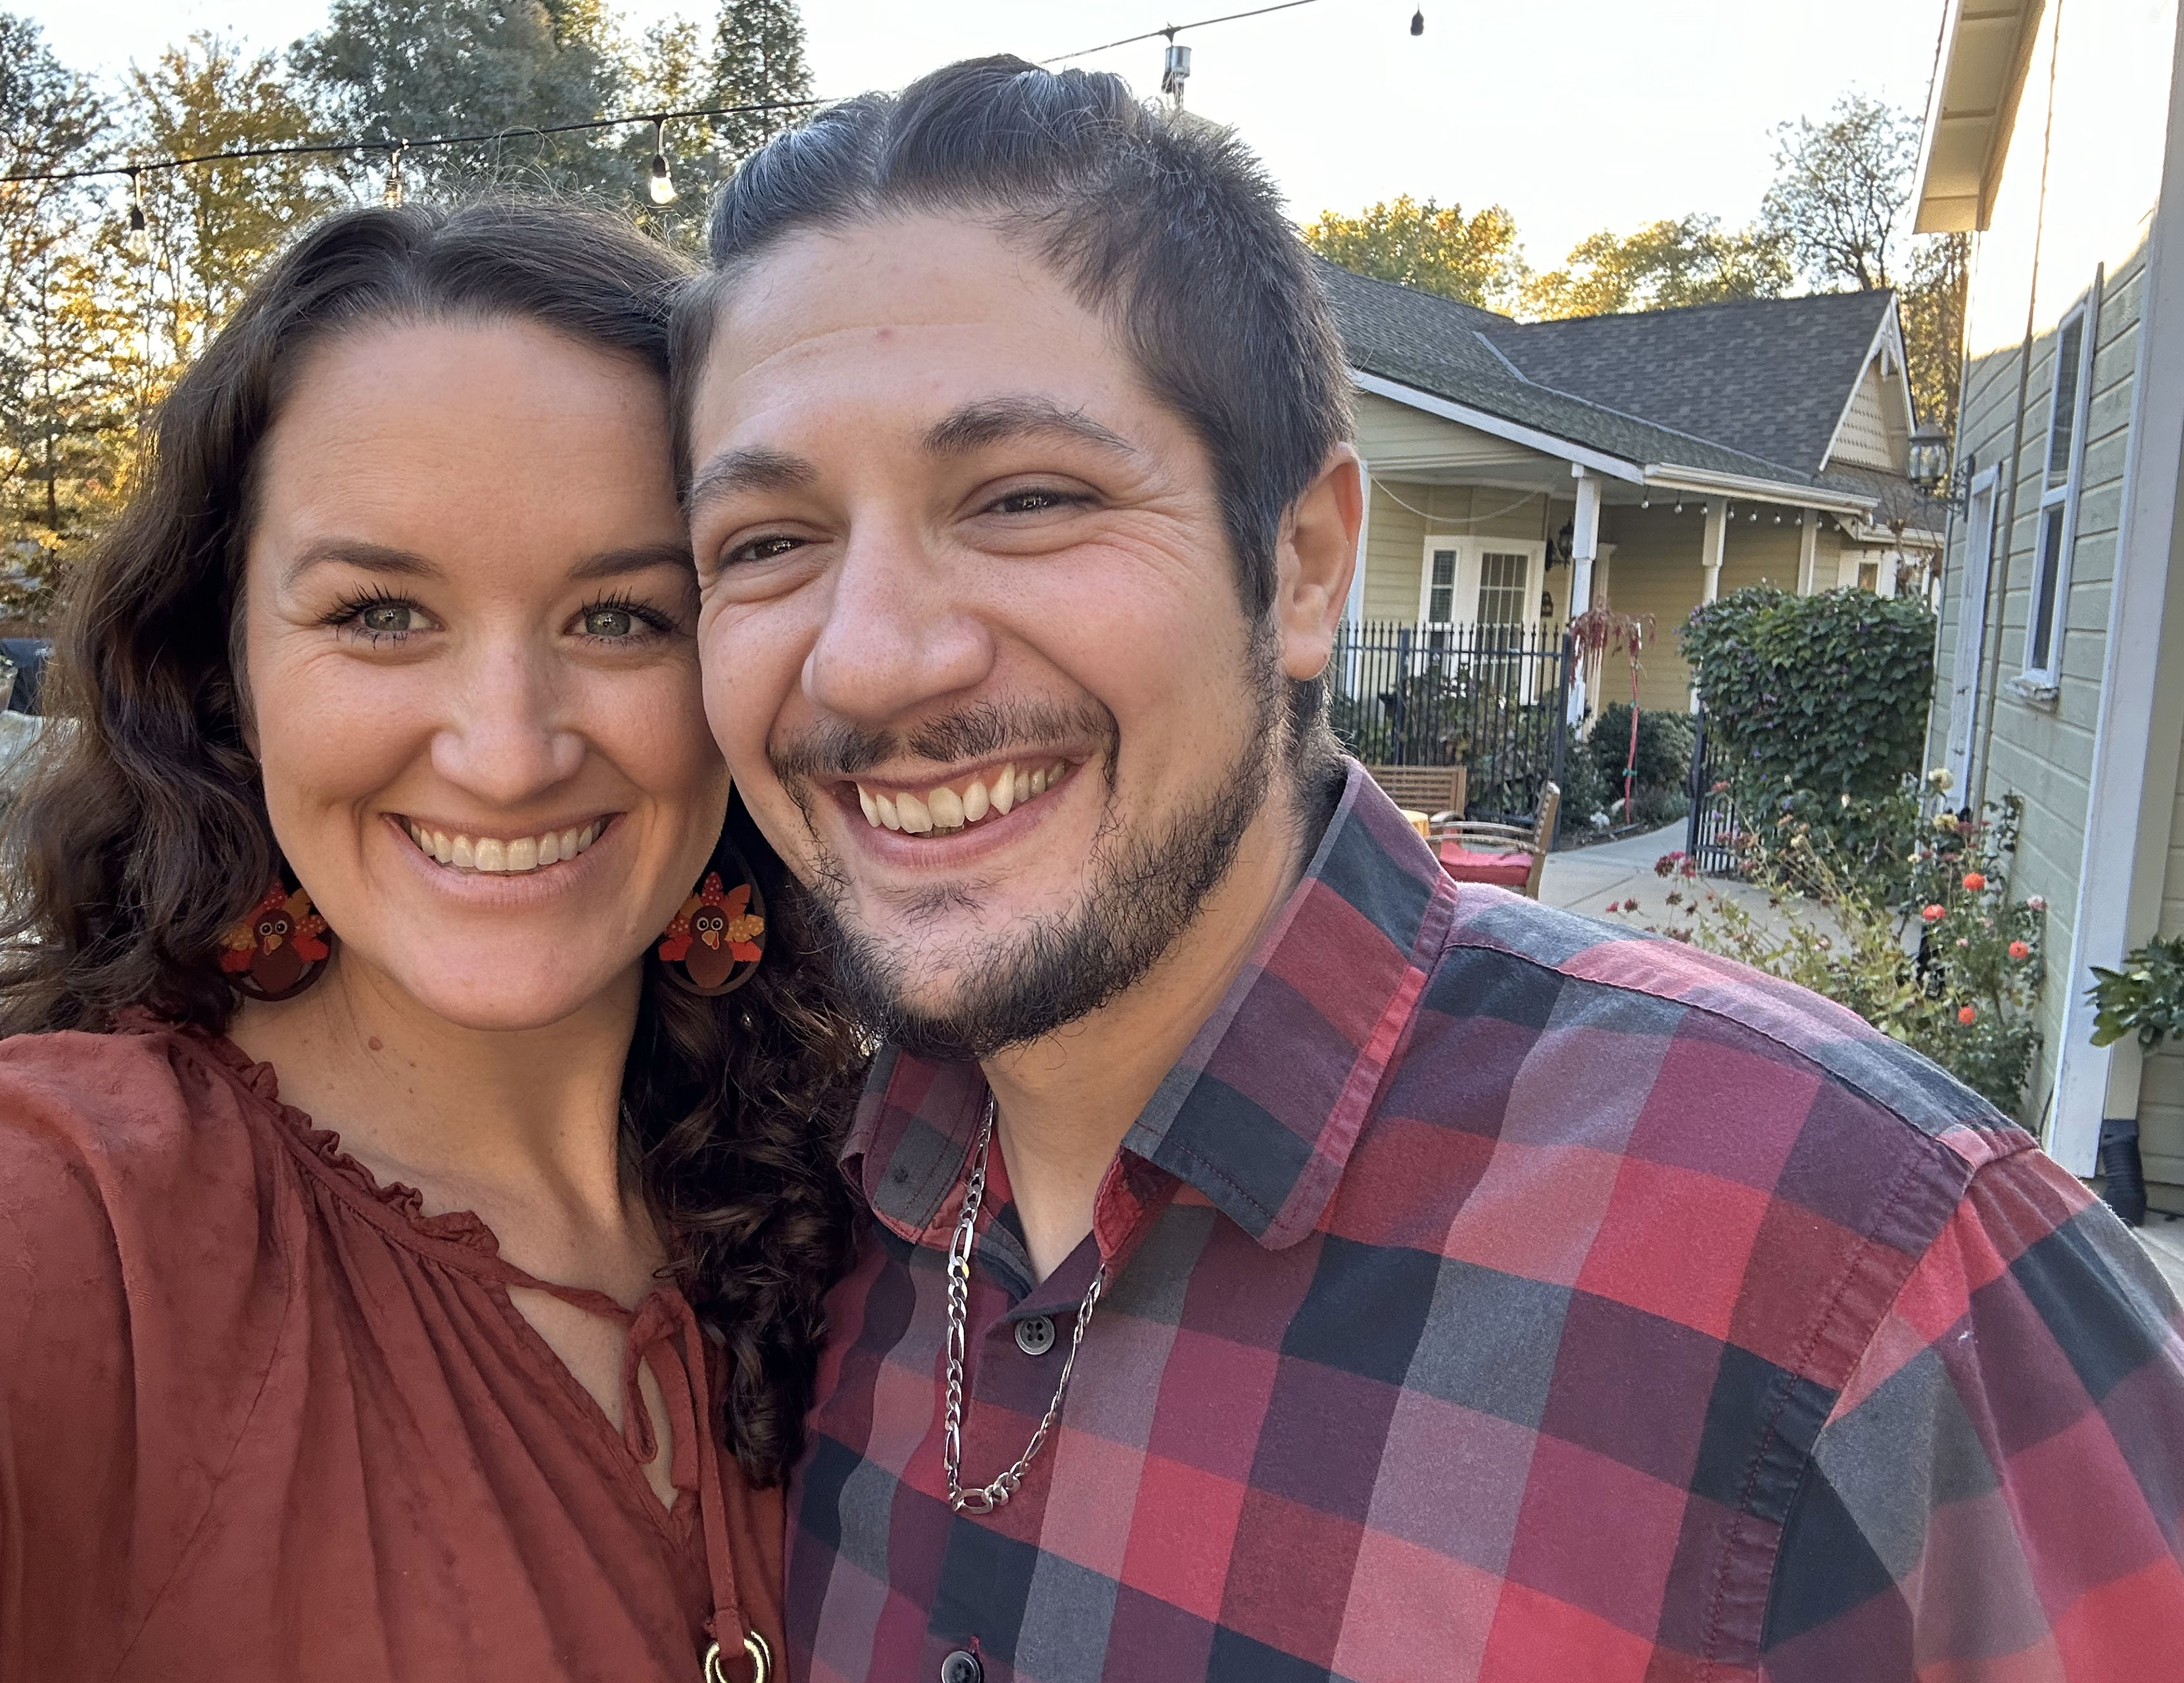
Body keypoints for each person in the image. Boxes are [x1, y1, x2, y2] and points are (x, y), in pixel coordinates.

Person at [673, 58, 2184, 1683]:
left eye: (1027, 498)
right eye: (765, 542)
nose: (875, 659)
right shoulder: (801, 1221)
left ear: (1306, 561)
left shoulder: (1865, 1283)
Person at [0, 199, 863, 1682]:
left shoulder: (871, 1192)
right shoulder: (35, 1217)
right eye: (379, 612)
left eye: (623, 617)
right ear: (222, 669)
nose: (506, 751)